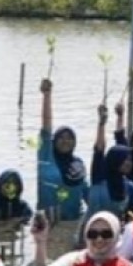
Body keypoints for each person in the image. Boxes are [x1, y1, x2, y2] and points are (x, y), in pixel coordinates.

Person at [37, 78, 89, 223]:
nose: (66, 141)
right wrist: (47, 95)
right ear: (54, 141)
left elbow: (86, 193)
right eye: (61, 137)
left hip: (73, 222)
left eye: (70, 138)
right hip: (47, 225)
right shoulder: (45, 157)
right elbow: (46, 127)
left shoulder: (78, 164)